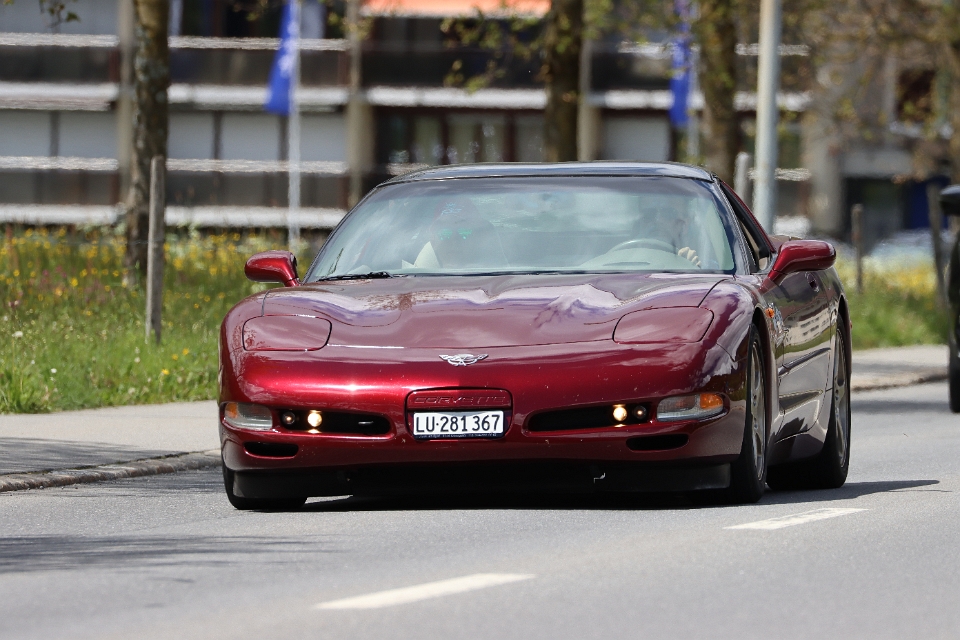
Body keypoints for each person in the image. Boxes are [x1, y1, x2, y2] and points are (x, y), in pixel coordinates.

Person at [412, 197, 506, 269]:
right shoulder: (414, 281)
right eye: (444, 234)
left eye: (464, 233)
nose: (454, 241)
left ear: (478, 239)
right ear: (433, 241)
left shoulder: (500, 280)